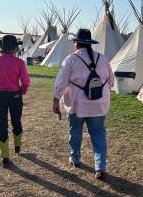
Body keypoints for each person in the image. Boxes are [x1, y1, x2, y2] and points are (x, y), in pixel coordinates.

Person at [53, 28, 114, 181]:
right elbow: (111, 81)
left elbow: (61, 82)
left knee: (75, 132)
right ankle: (100, 167)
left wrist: (55, 99)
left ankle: (75, 159)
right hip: (98, 105)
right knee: (99, 134)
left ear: (77, 44)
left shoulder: (71, 59)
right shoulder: (103, 58)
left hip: (77, 104)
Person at [0, 35, 30, 168]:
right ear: (14, 48)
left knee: (2, 125)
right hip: (15, 95)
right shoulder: (19, 62)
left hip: (0, 96)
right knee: (16, 121)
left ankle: (5, 156)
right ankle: (17, 146)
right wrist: (22, 91)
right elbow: (26, 82)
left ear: (2, 47)